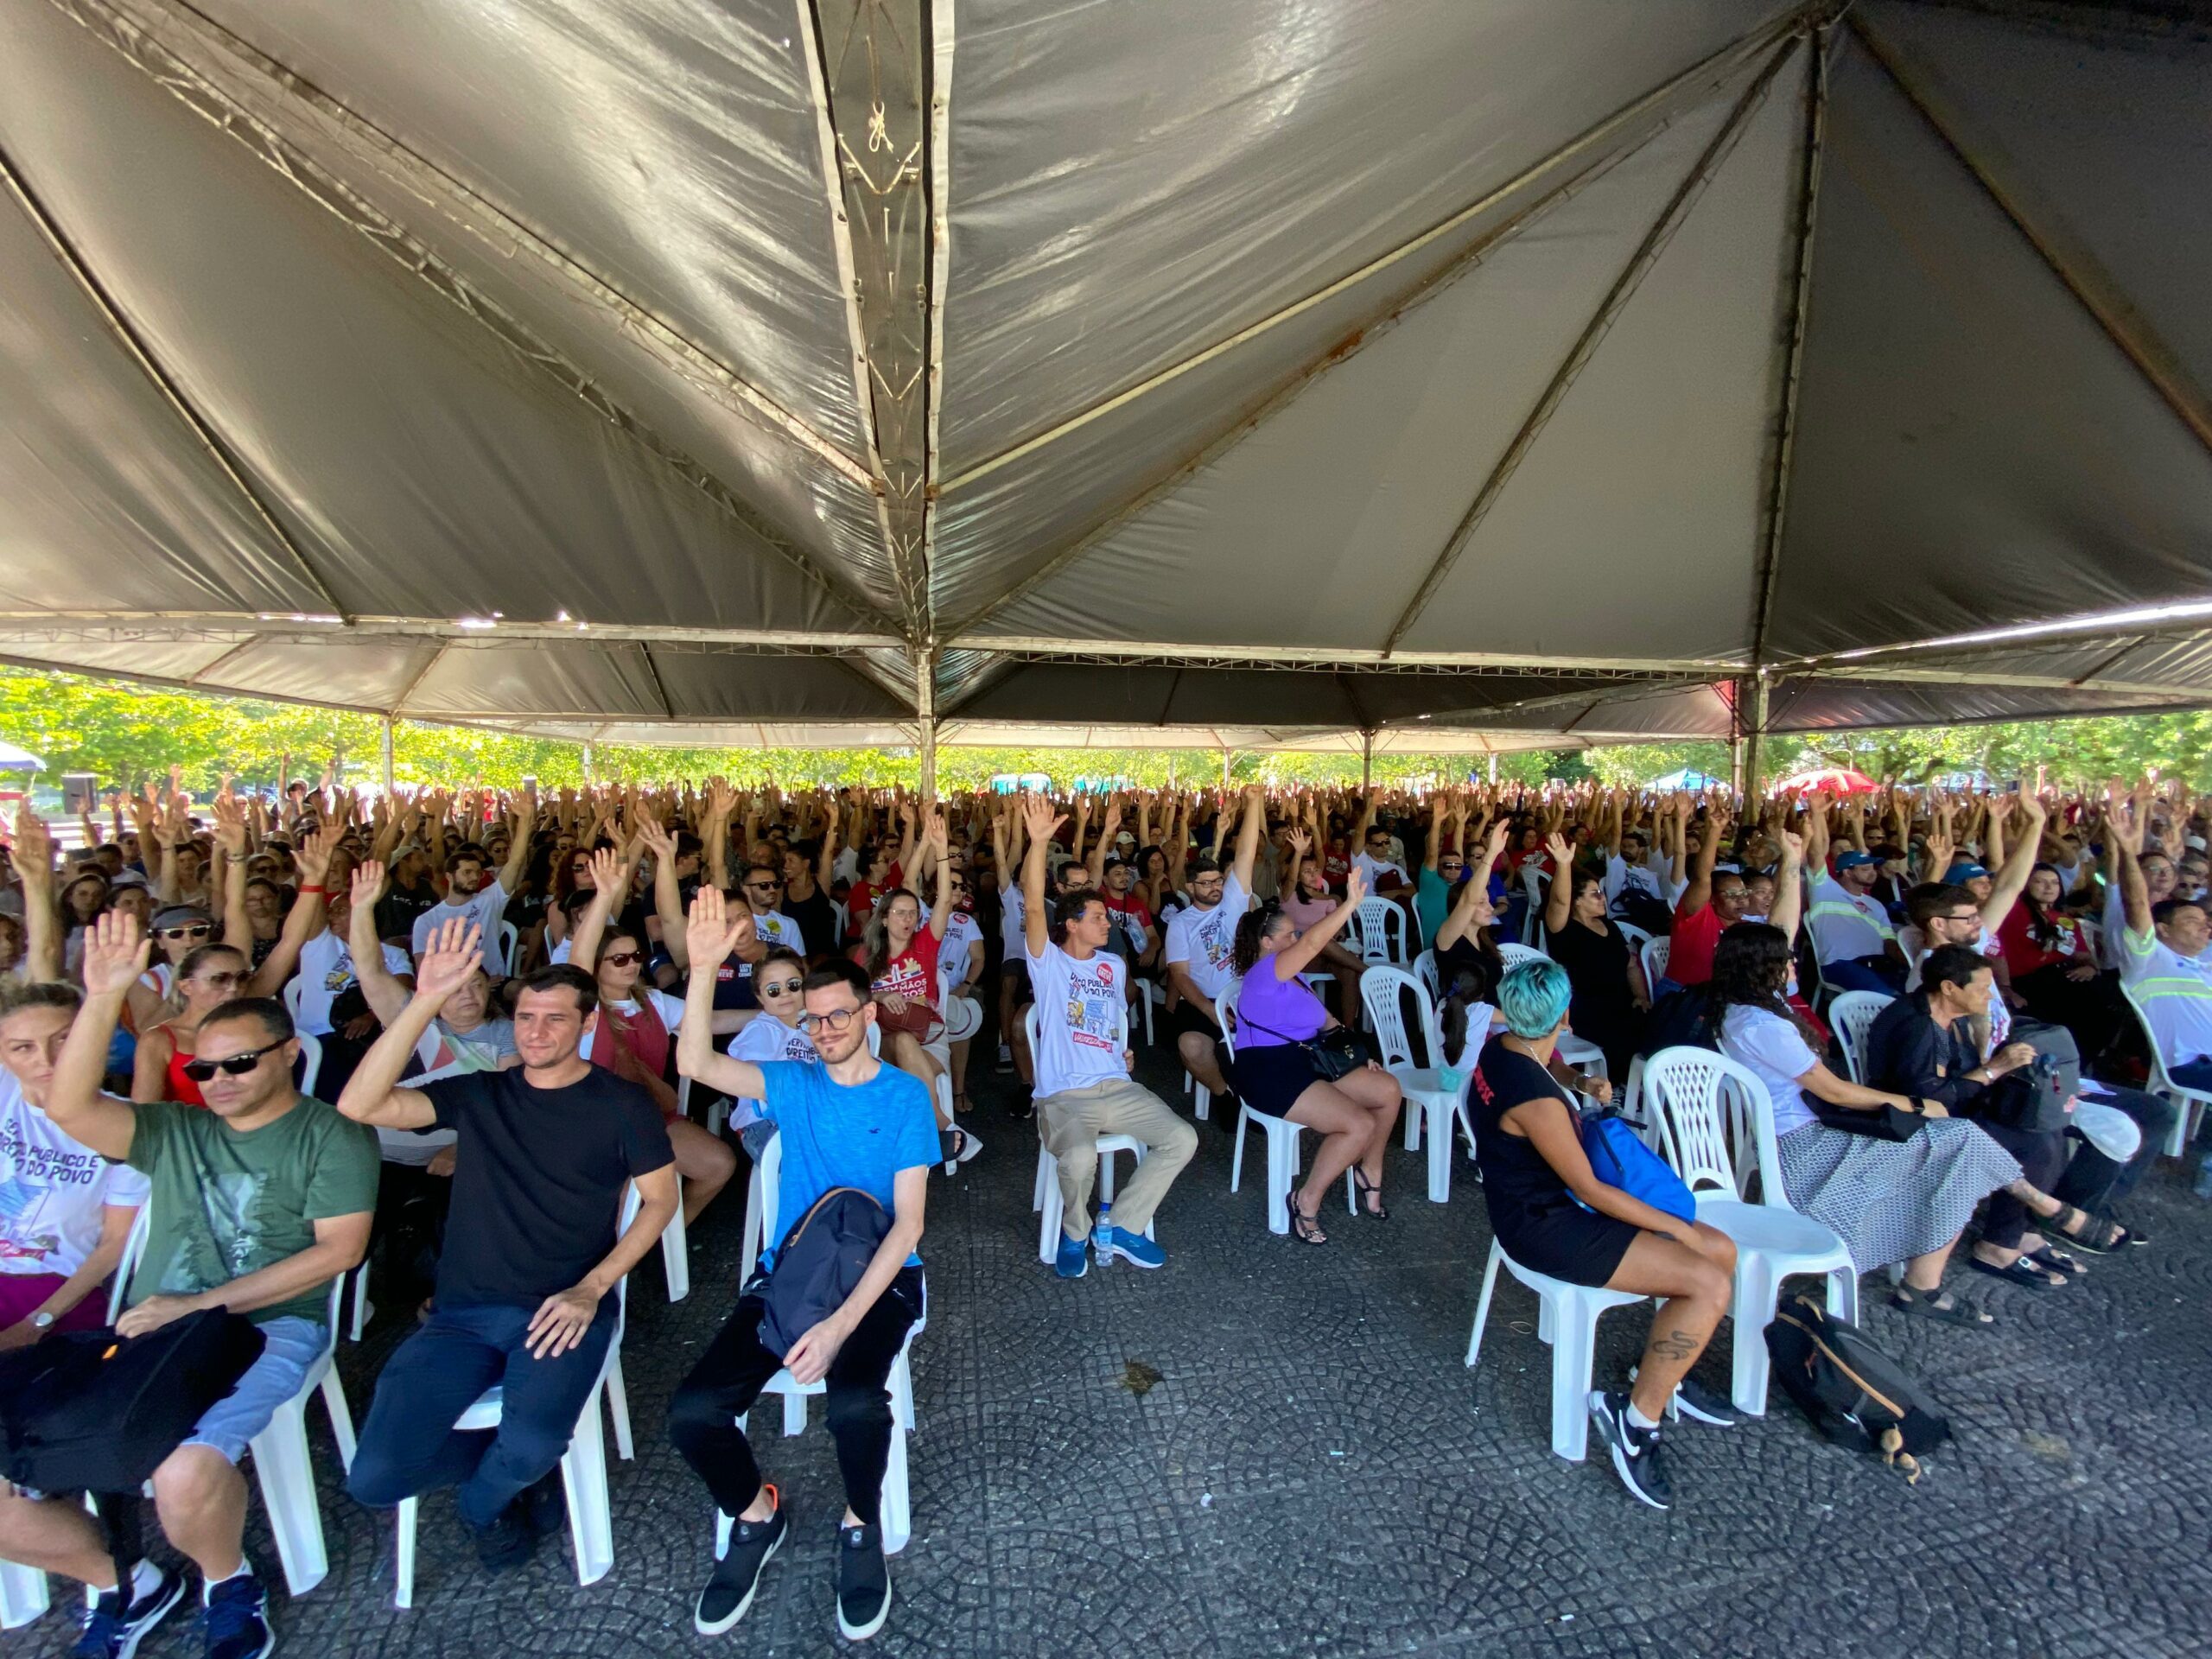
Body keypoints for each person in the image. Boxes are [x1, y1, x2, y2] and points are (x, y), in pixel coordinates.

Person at [0, 912, 377, 1659]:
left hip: (270, 1325)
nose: (220, 1083)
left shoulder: (330, 1135)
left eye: (239, 1065)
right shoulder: (175, 1129)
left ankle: (227, 1579)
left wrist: (197, 1303)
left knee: (183, 1474)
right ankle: (123, 1582)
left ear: (289, 1053)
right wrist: (104, 996)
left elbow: (339, 1253)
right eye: (204, 1069)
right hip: (149, 1331)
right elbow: (70, 1106)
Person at [338, 922, 679, 1575]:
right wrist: (422, 1002)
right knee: (373, 1479)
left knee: (530, 1445)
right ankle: (511, 1479)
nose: (536, 1031)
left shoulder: (620, 1106)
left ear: (585, 1027)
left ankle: (482, 1506)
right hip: (462, 1314)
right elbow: (360, 1104)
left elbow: (660, 1202)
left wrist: (594, 1286)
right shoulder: (479, 1094)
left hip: (563, 1304)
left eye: (555, 1019)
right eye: (525, 1016)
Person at [670, 891, 935, 1643]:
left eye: (838, 1016)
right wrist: (701, 969)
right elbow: (693, 1060)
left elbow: (910, 1222)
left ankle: (860, 1522)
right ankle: (757, 1514)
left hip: (879, 1279)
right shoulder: (792, 1083)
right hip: (788, 1277)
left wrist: (839, 1326)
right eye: (812, 1019)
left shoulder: (907, 1095)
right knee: (693, 1412)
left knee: (856, 1404)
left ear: (868, 1015)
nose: (823, 1030)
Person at [1470, 959, 1739, 1510]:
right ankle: (1635, 1421)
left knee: (1722, 1250)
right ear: (1565, 1015)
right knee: (1708, 1282)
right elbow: (1589, 1189)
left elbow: (1549, 1063)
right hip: (1547, 1225)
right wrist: (1672, 1228)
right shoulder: (1536, 1102)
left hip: (1546, 1204)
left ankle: (1662, 1369)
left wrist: (1581, 1081)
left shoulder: (1504, 1046)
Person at [1713, 928, 2026, 1326]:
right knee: (1959, 1144)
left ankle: (2021, 1207)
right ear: (1760, 967)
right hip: (1803, 1149)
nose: (1794, 965)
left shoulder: (1751, 1009)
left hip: (1810, 1130)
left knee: (1956, 1147)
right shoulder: (1761, 1025)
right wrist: (1916, 1104)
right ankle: (1930, 1279)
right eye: (1785, 959)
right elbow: (1836, 1092)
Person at [1866, 944, 2133, 1286]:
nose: (1990, 996)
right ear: (1949, 988)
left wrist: (1989, 1051)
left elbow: (1958, 1074)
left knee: (2043, 1127)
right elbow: (1930, 1096)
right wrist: (1994, 1069)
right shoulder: (1921, 1027)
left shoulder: (1949, 1016)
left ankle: (2016, 1233)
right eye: (1981, 989)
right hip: (1916, 1122)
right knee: (2032, 1143)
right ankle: (2000, 1244)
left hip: (1956, 1108)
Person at [1017, 794, 1197, 1276]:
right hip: (1065, 1095)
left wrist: (1124, 1051)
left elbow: (1109, 1022)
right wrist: (1037, 845)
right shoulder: (1049, 963)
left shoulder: (1114, 965)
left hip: (1117, 1085)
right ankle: (1075, 1232)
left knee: (1182, 1138)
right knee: (1077, 1158)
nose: (1106, 922)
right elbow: (1035, 906)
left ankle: (1120, 1224)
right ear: (1070, 925)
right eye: (1096, 917)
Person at [1227, 868, 1403, 1243]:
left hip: (1309, 1059)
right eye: (1289, 934)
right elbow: (1311, 946)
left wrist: (1357, 1057)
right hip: (1268, 1070)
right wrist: (1351, 905)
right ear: (1267, 942)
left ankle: (1370, 1170)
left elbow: (1328, 1024)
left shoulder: (1296, 978)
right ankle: (1305, 1200)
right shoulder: (1263, 974)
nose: (1297, 939)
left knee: (1387, 1089)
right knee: (1358, 1124)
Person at [569, 844, 742, 1224]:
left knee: (718, 1164)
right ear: (598, 965)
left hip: (649, 1117)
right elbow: (577, 966)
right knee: (616, 1189)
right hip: (590, 1122)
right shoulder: (583, 1007)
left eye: (635, 957)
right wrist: (604, 896)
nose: (632, 964)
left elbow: (710, 1022)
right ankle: (608, 1260)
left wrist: (769, 1013)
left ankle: (660, 1240)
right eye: (619, 959)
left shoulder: (652, 1001)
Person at [0, 982, 148, 1346]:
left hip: (56, 1290)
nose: (46, 1060)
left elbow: (116, 1241)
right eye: (23, 1047)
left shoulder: (123, 1126)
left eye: (63, 1039)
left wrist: (39, 1322)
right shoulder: (5, 1093)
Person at [1164, 785, 1267, 1105]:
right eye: (1206, 883)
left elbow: (1246, 853)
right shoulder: (1181, 923)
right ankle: (1225, 1096)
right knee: (1191, 1046)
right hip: (1204, 1000)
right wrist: (1209, 1009)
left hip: (1245, 996)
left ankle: (1266, 1096)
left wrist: (1253, 803)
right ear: (1190, 887)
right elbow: (1180, 976)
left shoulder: (1234, 901)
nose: (1214, 888)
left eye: (1217, 881)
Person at [1539, 832, 1649, 1080]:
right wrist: (1564, 865)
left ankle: (1633, 1087)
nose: (1603, 897)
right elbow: (1558, 901)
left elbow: (1630, 965)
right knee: (1619, 1035)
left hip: (1621, 1002)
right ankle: (1613, 1087)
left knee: (1653, 1026)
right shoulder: (1563, 929)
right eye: (1594, 894)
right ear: (1576, 902)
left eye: (1601, 892)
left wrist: (1641, 995)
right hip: (1585, 1008)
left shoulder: (1608, 926)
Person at [1999, 861, 2124, 1060]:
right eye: (2040, 881)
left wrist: (2089, 967)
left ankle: (2081, 1062)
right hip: (2029, 981)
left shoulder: (2065, 919)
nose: (2049, 887)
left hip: (2064, 975)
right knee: (2089, 1007)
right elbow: (2003, 877)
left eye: (2054, 882)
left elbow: (2082, 954)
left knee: (2114, 1000)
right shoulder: (2011, 911)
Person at [410, 795, 535, 976]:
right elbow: (424, 970)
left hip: (495, 983)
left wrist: (524, 820)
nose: (474, 877)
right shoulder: (426, 921)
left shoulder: (490, 899)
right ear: (449, 876)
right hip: (452, 989)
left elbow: (515, 861)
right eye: (467, 872)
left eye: (478, 872)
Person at [1662, 803, 1742, 988]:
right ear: (1711, 898)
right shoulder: (1698, 917)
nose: (1740, 899)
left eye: (1744, 893)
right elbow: (1703, 877)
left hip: (1721, 997)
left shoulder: (1745, 927)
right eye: (1731, 894)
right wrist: (1714, 831)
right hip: (1683, 997)